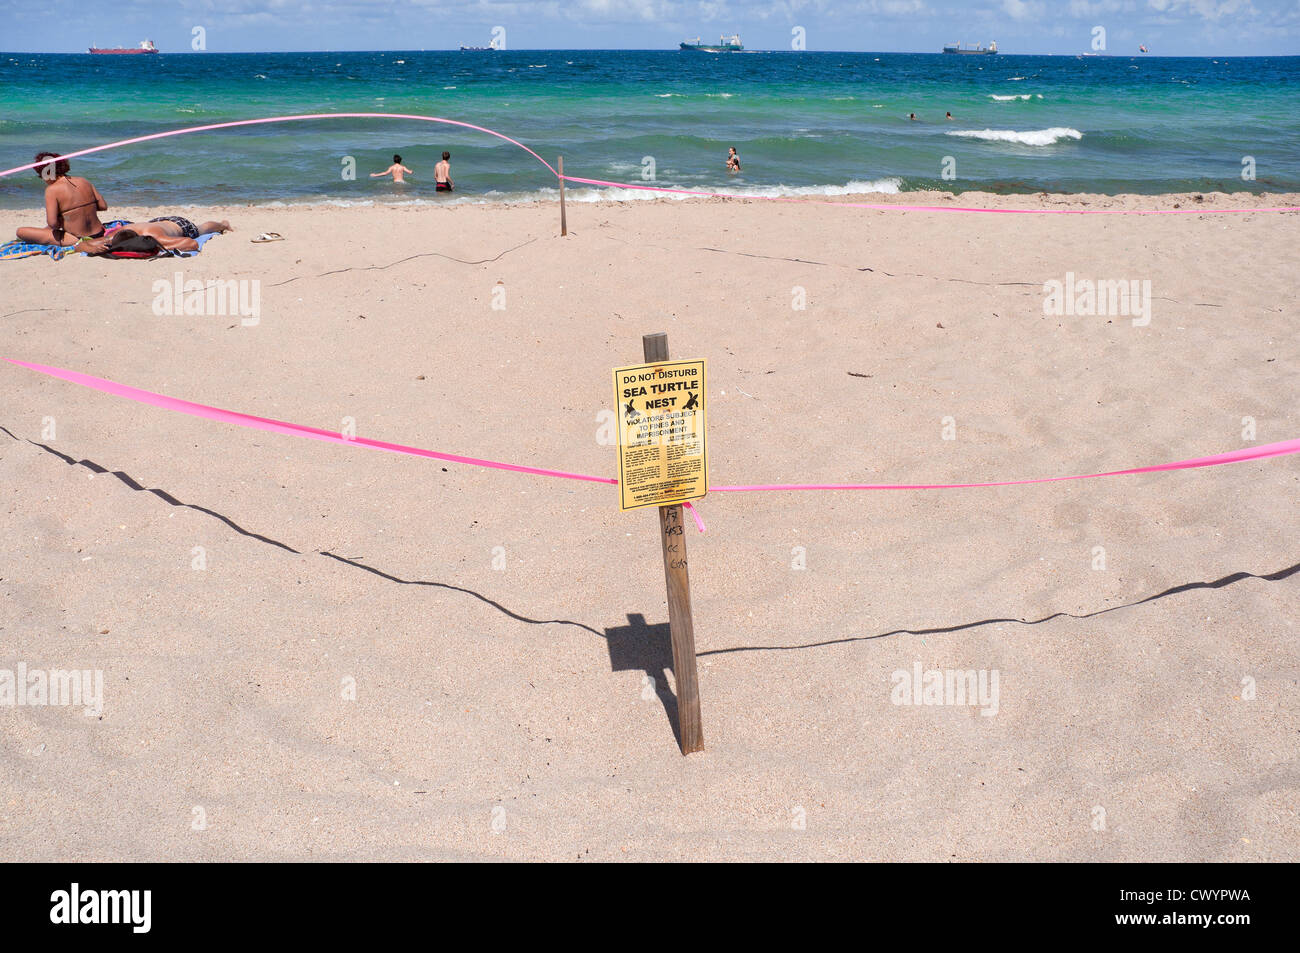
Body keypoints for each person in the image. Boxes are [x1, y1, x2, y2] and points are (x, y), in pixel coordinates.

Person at [15, 152, 109, 246]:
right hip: (99, 233)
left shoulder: (52, 190)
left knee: (21, 231)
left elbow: (53, 224)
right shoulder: (84, 181)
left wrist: (63, 219)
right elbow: (103, 206)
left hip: (76, 239)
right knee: (46, 230)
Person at [81, 217, 231, 254]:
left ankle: (223, 224)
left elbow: (192, 244)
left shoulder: (155, 238)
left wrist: (160, 246)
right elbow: (81, 245)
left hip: (179, 224)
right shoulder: (115, 235)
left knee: (202, 229)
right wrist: (90, 247)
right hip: (155, 222)